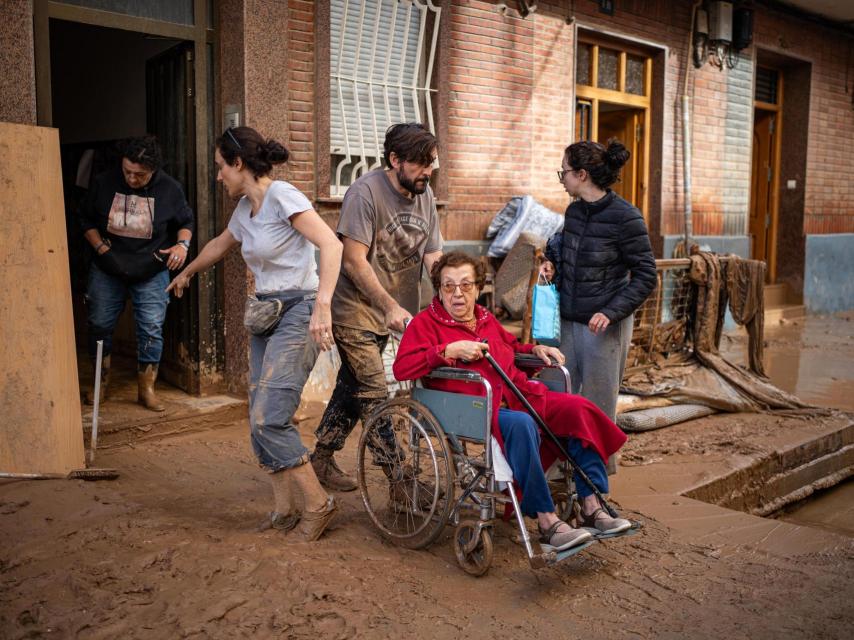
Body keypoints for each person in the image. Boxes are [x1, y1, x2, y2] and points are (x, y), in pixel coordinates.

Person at [167, 127, 342, 541]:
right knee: (257, 414)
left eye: (219, 167)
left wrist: (322, 305)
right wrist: (187, 272)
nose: (217, 176)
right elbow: (219, 245)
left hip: (300, 311)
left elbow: (331, 245)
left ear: (238, 164)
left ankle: (319, 503)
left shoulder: (284, 197)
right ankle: (284, 510)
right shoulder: (245, 209)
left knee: (270, 416)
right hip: (266, 314)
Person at [393, 252, 632, 552]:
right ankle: (547, 521)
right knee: (523, 424)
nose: (457, 294)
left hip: (517, 394)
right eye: (448, 286)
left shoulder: (485, 318)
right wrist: (449, 349)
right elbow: (402, 367)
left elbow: (512, 347)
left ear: (478, 289)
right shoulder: (425, 324)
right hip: (474, 408)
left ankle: (591, 504)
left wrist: (536, 350)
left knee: (578, 409)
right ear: (439, 289)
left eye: (466, 286)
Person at [310, 123, 443, 491]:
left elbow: (432, 253)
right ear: (394, 159)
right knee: (373, 394)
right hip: (355, 311)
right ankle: (402, 482)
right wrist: (387, 305)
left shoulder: (425, 194)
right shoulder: (364, 194)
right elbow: (353, 260)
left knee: (352, 386)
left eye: (431, 163)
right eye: (419, 164)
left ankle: (320, 458)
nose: (427, 172)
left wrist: (450, 289)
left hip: (392, 313)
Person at [542, 140, 656, 427]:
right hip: (566, 322)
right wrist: (552, 264)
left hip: (603, 328)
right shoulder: (574, 212)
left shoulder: (626, 217)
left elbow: (646, 275)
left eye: (564, 172)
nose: (562, 179)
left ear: (581, 175)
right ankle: (556, 468)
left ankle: (596, 471)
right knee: (555, 397)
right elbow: (569, 255)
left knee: (598, 408)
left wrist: (610, 312)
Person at [80, 135, 194, 411]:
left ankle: (147, 389)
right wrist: (100, 248)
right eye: (127, 172)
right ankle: (100, 382)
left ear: (153, 171)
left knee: (151, 329)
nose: (132, 179)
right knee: (100, 323)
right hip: (108, 268)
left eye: (140, 175)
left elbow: (185, 221)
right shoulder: (104, 182)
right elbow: (85, 219)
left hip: (151, 269)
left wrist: (182, 245)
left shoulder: (170, 189)